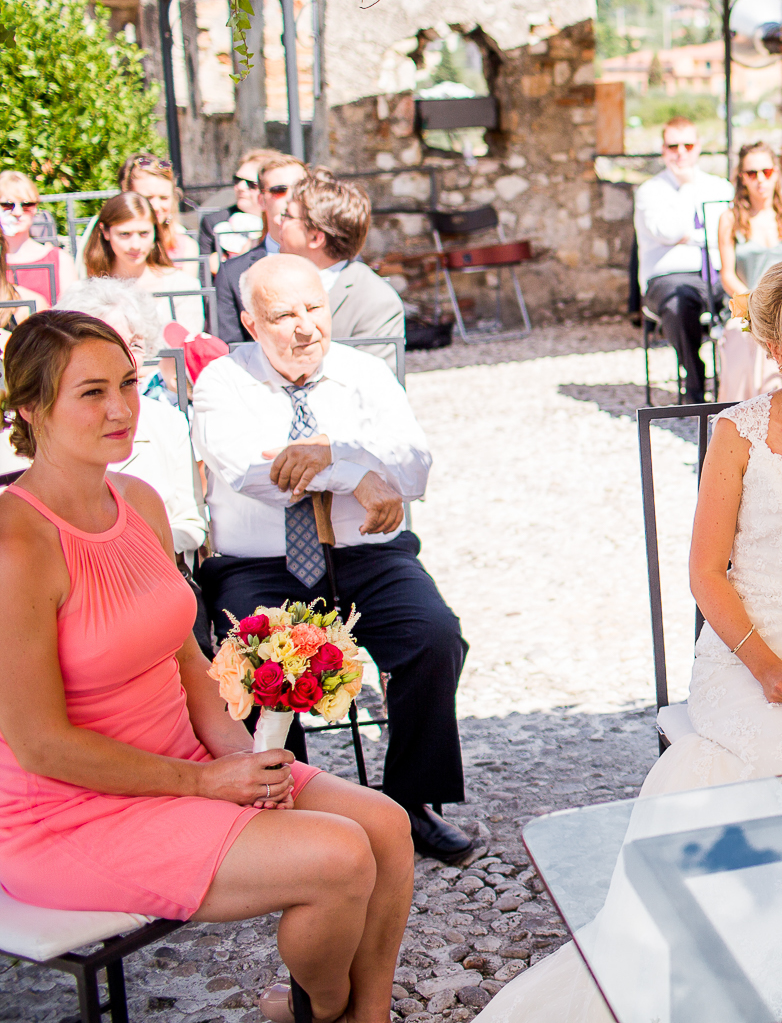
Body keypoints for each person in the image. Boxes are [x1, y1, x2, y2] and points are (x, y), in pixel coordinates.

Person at [470, 257, 782, 1023]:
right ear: (779, 348)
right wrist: (768, 665)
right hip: (745, 659)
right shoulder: (739, 431)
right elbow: (705, 573)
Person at [0, 309, 412, 1023]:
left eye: (128, 383)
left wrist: (245, 759)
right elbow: (39, 743)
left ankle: (364, 1017)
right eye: (92, 392)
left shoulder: (138, 500)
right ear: (31, 409)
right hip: (69, 811)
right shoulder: (16, 544)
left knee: (385, 824)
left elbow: (186, 661)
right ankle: (330, 1007)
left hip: (186, 759)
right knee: (339, 857)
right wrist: (204, 781)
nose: (124, 407)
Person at [193, 255, 477, 865]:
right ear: (249, 322)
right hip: (260, 564)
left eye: (314, 308)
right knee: (261, 666)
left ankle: (408, 805)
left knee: (433, 638)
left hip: (366, 554)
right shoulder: (222, 380)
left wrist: (329, 449)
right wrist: (355, 470)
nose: (305, 328)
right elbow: (254, 469)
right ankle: (285, 810)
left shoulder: (363, 375)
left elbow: (413, 464)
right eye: (283, 315)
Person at [54, 279, 206, 554]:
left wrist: (144, 551)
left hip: (156, 569)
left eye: (135, 344)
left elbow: (192, 522)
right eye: (109, 343)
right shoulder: (53, 421)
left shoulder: (167, 421)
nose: (126, 357)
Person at [635, 118, 732, 404]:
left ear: (698, 147)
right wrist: (688, 188)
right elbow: (668, 231)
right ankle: (694, 382)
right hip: (669, 277)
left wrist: (691, 235)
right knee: (679, 304)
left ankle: (737, 384)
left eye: (687, 145)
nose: (681, 153)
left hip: (715, 272)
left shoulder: (720, 187)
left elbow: (725, 233)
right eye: (672, 146)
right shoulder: (650, 191)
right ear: (663, 150)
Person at [277, 169, 405, 356]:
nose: (278, 221)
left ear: (315, 237)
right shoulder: (271, 282)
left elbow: (374, 379)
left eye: (287, 215)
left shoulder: (376, 302)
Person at [714, 142, 782, 402]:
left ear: (776, 173)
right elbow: (727, 275)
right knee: (742, 336)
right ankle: (742, 413)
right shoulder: (730, 218)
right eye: (752, 173)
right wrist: (757, 304)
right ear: (742, 178)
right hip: (747, 304)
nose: (760, 179)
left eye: (766, 171)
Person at [213, 155, 307, 345]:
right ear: (261, 200)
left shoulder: (334, 258)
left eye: (299, 189)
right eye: (279, 190)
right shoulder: (232, 274)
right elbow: (229, 349)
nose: (290, 197)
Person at [84, 191, 201, 331]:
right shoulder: (89, 292)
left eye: (144, 234)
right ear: (106, 232)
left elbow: (188, 345)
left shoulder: (182, 285)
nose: (135, 245)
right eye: (124, 234)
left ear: (155, 232)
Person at [0, 170, 76, 308]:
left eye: (27, 205)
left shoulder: (60, 259)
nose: (18, 212)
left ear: (36, 208)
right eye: (7, 205)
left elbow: (72, 318)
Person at [200, 149, 284, 262]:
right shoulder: (214, 223)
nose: (240, 187)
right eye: (237, 180)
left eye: (251, 184)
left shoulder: (286, 220)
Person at [120, 153, 195, 267]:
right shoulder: (108, 240)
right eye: (147, 198)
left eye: (164, 198)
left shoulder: (186, 246)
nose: (156, 206)